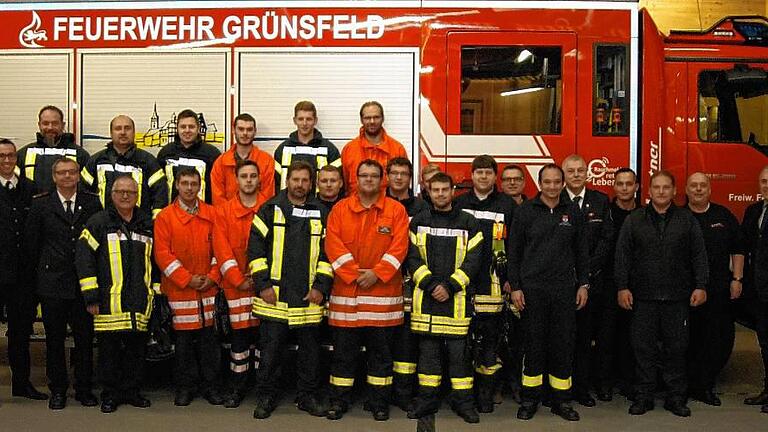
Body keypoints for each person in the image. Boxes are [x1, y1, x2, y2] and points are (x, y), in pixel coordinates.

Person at [615, 170, 708, 417]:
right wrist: (622, 287)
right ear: (648, 191)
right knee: (643, 349)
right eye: (657, 187)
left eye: (666, 187)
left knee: (676, 349)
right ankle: (643, 397)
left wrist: (701, 285)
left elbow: (698, 255)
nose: (661, 192)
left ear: (674, 191)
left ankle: (675, 398)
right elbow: (622, 256)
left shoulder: (687, 220)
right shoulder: (634, 219)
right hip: (642, 298)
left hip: (678, 297)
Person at [324, 159, 410, 421]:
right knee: (343, 357)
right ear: (356, 179)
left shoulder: (395, 211)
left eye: (374, 176)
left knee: (381, 357)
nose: (369, 180)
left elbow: (400, 248)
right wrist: (353, 274)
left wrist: (377, 274)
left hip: (382, 297)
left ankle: (379, 403)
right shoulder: (339, 210)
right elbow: (332, 245)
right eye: (364, 175)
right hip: (346, 298)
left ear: (382, 179)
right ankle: (339, 401)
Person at [248, 160, 333, 419]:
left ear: (312, 183)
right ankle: (265, 396)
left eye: (305, 180)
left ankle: (306, 397)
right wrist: (262, 285)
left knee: (310, 354)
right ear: (287, 181)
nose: (300, 185)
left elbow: (330, 254)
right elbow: (255, 250)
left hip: (309, 298)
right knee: (271, 352)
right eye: (295, 179)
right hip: (274, 297)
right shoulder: (270, 209)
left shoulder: (321, 211)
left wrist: (321, 287)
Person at [507, 163, 589, 422]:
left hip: (564, 290)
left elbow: (582, 252)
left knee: (562, 345)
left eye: (557, 182)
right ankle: (530, 399)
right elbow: (514, 253)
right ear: (539, 184)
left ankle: (561, 401)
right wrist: (516, 287)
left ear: (562, 183)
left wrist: (583, 284)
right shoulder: (525, 212)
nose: (552, 187)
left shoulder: (572, 211)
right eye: (547, 182)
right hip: (532, 291)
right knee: (533, 345)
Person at [405, 172, 483, 423]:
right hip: (427, 303)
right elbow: (412, 258)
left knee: (460, 360)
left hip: (457, 304)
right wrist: (430, 285)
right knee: (427, 360)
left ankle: (464, 404)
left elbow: (474, 261)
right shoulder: (418, 221)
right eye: (435, 190)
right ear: (428, 192)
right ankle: (426, 402)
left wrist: (449, 286)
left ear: (453, 191)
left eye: (444, 190)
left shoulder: (469, 223)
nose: (440, 194)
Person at [76, 175, 157, 413]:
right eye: (120, 192)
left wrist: (156, 294)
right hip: (108, 303)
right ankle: (110, 395)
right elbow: (84, 258)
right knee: (109, 353)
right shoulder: (99, 222)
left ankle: (132, 391)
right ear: (111, 195)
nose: (125, 196)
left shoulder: (146, 223)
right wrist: (91, 295)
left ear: (137, 195)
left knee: (136, 351)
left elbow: (156, 261)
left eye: (130, 192)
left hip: (139, 301)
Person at [24, 157, 101, 410]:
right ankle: (58, 389)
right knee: (54, 341)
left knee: (84, 340)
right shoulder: (41, 205)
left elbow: (96, 244)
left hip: (83, 284)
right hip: (52, 284)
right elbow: (32, 247)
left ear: (78, 175)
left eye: (72, 172)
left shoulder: (92, 202)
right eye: (62, 173)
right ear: (54, 177)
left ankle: (84, 389)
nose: (68, 177)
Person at [154, 167, 224, 406]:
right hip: (179, 293)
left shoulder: (212, 214)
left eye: (194, 183)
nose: (190, 188)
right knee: (182, 347)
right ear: (176, 185)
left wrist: (213, 276)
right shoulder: (165, 217)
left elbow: (221, 251)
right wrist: (187, 279)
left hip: (208, 293)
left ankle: (211, 387)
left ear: (200, 185)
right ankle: (184, 388)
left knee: (210, 347)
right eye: (185, 183)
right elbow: (163, 255)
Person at [454, 155, 514, 413]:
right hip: (462, 283)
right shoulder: (459, 204)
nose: (483, 177)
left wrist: (511, 278)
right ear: (472, 175)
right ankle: (463, 395)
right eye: (478, 172)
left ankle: (487, 393)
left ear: (494, 176)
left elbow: (515, 244)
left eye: (488, 172)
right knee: (464, 343)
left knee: (491, 342)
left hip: (493, 285)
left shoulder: (507, 205)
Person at [685, 172, 744, 406]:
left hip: (719, 289)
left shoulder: (723, 215)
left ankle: (705, 385)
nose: (698, 189)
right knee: (688, 340)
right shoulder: (679, 216)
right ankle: (688, 384)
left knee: (717, 339)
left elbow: (738, 248)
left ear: (709, 189)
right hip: (687, 291)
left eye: (702, 186)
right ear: (686, 190)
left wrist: (737, 279)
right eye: (694, 186)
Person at [561, 154, 613, 407]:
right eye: (571, 171)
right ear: (564, 173)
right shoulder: (554, 201)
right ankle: (560, 388)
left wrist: (586, 272)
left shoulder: (600, 201)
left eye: (581, 170)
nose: (576, 174)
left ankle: (582, 389)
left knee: (585, 339)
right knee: (563, 338)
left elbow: (606, 240)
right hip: (560, 284)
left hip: (592, 283)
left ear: (587, 173)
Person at [212, 160, 265, 408]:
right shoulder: (223, 212)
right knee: (240, 343)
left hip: (264, 288)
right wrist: (238, 279)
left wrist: (259, 279)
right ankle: (237, 386)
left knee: (265, 340)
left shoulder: (270, 208)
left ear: (259, 179)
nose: (249, 180)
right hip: (235, 289)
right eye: (244, 176)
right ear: (237, 180)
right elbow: (221, 250)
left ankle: (263, 387)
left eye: (253, 176)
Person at [0, 138, 48, 403]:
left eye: (10, 156)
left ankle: (22, 384)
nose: (7, 161)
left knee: (20, 332)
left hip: (23, 276)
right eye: (2, 156)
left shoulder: (30, 188)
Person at [385, 157, 429, 411]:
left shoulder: (422, 208)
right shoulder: (379, 204)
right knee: (381, 340)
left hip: (412, 282)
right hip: (383, 280)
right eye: (395, 173)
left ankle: (402, 393)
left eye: (404, 173)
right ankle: (379, 391)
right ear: (387, 177)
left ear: (410, 178)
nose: (399, 178)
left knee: (407, 341)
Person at [595, 167, 639, 401]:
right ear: (614, 187)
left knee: (631, 337)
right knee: (606, 336)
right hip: (609, 284)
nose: (624, 188)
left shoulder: (644, 214)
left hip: (637, 286)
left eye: (628, 184)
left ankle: (628, 382)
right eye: (620, 184)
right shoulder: (606, 212)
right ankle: (604, 383)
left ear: (636, 187)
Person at [81, 115, 168, 218]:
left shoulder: (148, 161)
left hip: (139, 227)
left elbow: (160, 197)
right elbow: (82, 193)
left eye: (127, 128)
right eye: (118, 128)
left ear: (134, 132)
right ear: (111, 133)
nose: (123, 132)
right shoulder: (96, 161)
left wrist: (154, 224)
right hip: (103, 227)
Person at [742, 165, 768, 414]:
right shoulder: (754, 211)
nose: (766, 185)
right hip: (760, 290)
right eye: (763, 181)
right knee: (765, 343)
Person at [17, 105, 90, 194]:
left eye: (55, 123)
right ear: (39, 125)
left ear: (62, 125)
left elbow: (87, 188)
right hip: (32, 207)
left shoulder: (80, 154)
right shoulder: (23, 154)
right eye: (45, 123)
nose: (50, 127)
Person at [341, 102, 407, 196]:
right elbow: (344, 186)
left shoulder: (397, 149)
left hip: (388, 208)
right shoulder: (349, 150)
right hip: (355, 208)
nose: (372, 121)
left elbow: (403, 186)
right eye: (367, 118)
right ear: (361, 120)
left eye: (376, 117)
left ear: (383, 119)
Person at [157, 109, 222, 204]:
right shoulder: (165, 153)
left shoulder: (212, 154)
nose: (187, 130)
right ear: (177, 128)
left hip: (203, 215)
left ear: (198, 128)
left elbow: (218, 188)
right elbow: (159, 187)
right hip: (172, 215)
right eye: (183, 127)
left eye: (191, 127)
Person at [210, 113, 276, 206]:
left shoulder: (267, 161)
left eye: (249, 129)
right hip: (228, 218)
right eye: (241, 129)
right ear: (233, 130)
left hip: (257, 218)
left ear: (255, 131)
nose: (245, 133)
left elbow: (268, 196)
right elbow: (218, 199)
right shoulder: (220, 163)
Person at [273, 101, 341, 191]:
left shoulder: (330, 150)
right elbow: (275, 184)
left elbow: (337, 183)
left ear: (315, 120)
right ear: (294, 120)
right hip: (287, 204)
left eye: (309, 119)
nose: (304, 123)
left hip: (320, 204)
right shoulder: (282, 149)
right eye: (301, 119)